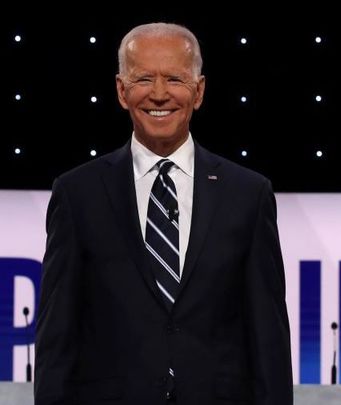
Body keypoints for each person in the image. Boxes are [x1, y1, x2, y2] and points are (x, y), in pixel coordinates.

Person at [35, 22, 293, 405]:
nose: (159, 95)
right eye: (143, 79)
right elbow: (56, 336)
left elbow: (268, 337)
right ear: (122, 91)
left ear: (199, 91)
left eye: (174, 78)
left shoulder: (248, 194)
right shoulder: (77, 194)